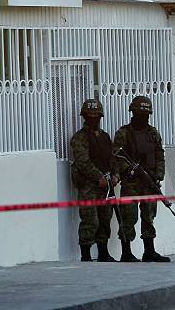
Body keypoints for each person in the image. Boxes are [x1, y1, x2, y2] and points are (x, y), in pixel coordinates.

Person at [113, 96, 170, 262]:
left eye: (145, 115)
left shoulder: (153, 133)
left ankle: (149, 251)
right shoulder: (123, 133)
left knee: (149, 216)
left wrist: (158, 176)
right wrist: (128, 170)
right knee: (128, 216)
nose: (143, 118)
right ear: (133, 113)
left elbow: (160, 155)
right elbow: (117, 157)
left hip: (149, 181)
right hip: (131, 182)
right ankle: (126, 252)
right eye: (139, 114)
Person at [70, 99, 119, 262]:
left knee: (105, 219)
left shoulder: (105, 137)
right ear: (84, 117)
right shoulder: (79, 138)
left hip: (105, 186)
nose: (93, 118)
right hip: (88, 186)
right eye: (90, 116)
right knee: (90, 220)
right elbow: (83, 161)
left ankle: (103, 253)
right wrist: (98, 177)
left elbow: (112, 159)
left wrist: (115, 175)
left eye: (96, 116)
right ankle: (86, 254)